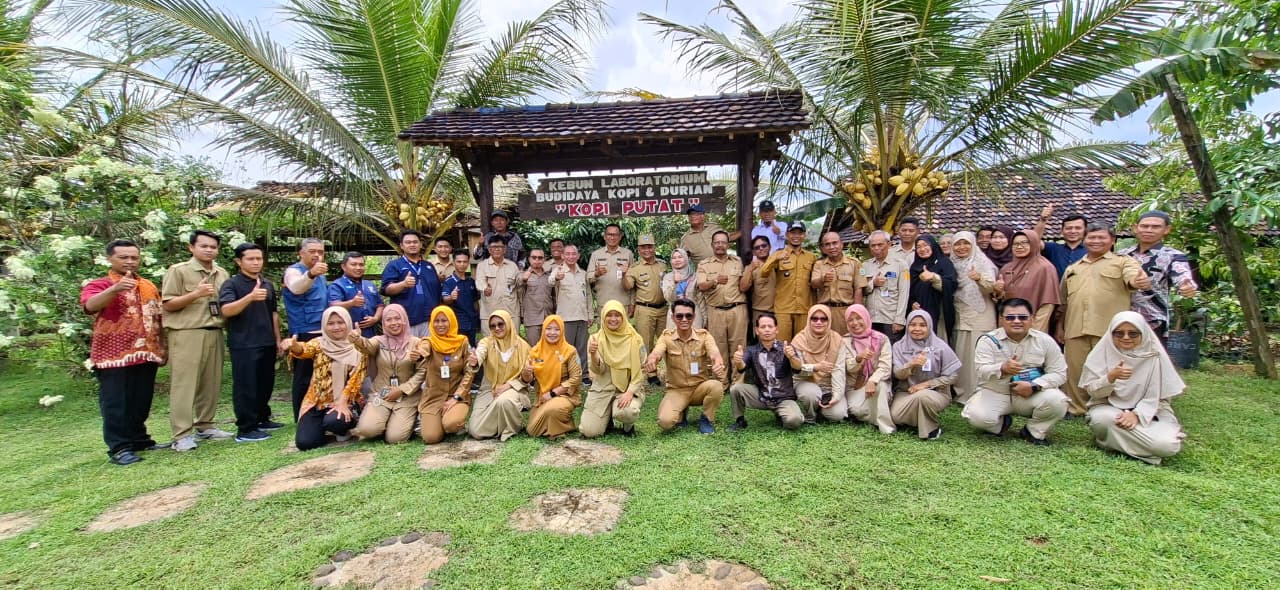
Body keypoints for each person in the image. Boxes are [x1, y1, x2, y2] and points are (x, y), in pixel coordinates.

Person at [82, 240, 168, 465]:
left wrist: (163, 347)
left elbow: (158, 317)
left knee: (141, 400)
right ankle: (119, 448)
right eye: (123, 257)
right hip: (113, 355)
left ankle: (140, 439)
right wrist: (114, 289)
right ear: (110, 259)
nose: (130, 261)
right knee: (115, 403)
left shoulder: (147, 285)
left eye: (134, 257)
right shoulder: (100, 284)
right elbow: (90, 306)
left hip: (146, 352)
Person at [1060, 223, 1149, 416]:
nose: (1096, 241)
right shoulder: (1073, 268)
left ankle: (1109, 405)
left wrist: (1138, 281)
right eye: (1091, 237)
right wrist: (1060, 326)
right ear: (1084, 240)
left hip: (1109, 330)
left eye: (1101, 237)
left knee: (1110, 370)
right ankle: (1077, 407)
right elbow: (1064, 302)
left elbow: (1133, 278)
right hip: (1075, 327)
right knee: (1075, 371)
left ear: (1112, 240)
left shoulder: (1123, 262)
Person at [1081, 311, 1187, 465]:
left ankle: (1113, 442)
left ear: (1143, 333)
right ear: (1111, 334)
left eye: (1133, 334)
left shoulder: (1154, 356)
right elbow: (1093, 392)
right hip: (1110, 408)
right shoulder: (1102, 352)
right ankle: (1145, 449)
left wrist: (1136, 415)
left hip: (1152, 411)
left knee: (1168, 446)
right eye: (1119, 333)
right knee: (1101, 420)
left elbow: (1157, 397)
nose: (1126, 337)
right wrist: (1110, 378)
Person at [962, 299, 1069, 445]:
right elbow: (981, 369)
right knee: (976, 416)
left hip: (1031, 394)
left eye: (1023, 317)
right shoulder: (988, 341)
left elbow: (1059, 373)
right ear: (1001, 320)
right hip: (996, 392)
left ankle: (1033, 431)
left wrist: (1034, 386)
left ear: (1032, 319)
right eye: (1010, 317)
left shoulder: (1044, 340)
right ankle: (1001, 424)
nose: (1017, 321)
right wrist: (1001, 368)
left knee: (1058, 401)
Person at [161, 230, 232, 452]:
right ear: (191, 247)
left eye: (213, 247)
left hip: (214, 331)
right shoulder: (179, 271)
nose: (209, 250)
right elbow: (168, 304)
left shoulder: (222, 273)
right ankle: (181, 434)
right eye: (204, 246)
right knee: (185, 384)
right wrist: (195, 294)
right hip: (187, 332)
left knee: (211, 382)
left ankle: (206, 425)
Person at [219, 243, 284, 444]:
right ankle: (246, 428)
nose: (256, 262)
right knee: (246, 386)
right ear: (239, 261)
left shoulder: (267, 284)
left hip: (267, 340)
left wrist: (277, 340)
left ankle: (262, 418)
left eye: (259, 258)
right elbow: (226, 310)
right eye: (251, 259)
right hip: (244, 343)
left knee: (265, 383)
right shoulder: (231, 284)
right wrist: (250, 297)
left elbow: (273, 314)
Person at [283, 307, 366, 451]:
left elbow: (356, 379)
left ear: (348, 322)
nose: (336, 327)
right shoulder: (319, 343)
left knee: (336, 421)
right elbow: (304, 350)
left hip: (346, 401)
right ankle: (321, 428)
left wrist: (342, 402)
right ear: (324, 325)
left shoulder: (357, 346)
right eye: (331, 323)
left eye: (340, 322)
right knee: (305, 443)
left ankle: (342, 429)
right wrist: (294, 345)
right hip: (317, 402)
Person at [645, 298, 726, 434]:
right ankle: (682, 411)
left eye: (688, 316)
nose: (684, 319)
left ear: (693, 317)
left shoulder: (704, 336)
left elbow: (714, 353)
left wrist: (718, 362)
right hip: (677, 390)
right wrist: (653, 359)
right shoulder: (666, 337)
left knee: (716, 386)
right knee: (665, 422)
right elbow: (657, 352)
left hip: (699, 388)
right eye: (679, 316)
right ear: (673, 318)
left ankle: (707, 418)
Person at [349, 304, 425, 444]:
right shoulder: (379, 341)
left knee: (395, 438)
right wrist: (357, 339)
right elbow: (367, 346)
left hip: (407, 396)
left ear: (404, 319)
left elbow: (422, 372)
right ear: (383, 322)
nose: (394, 323)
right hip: (381, 393)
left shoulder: (416, 343)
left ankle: (409, 421)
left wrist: (401, 390)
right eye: (389, 320)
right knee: (366, 430)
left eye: (397, 318)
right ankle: (382, 422)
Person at [1118, 210, 1199, 342]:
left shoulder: (1173, 256)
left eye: (1155, 227)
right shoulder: (1122, 255)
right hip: (1120, 318)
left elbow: (1182, 275)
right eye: (1145, 226)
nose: (1149, 230)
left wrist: (1187, 286)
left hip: (1153, 320)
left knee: (1152, 355)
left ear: (1166, 229)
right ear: (1135, 228)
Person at [728, 312, 805, 431]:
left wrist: (791, 357)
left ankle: (782, 413)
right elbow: (742, 367)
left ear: (776, 330)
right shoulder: (752, 350)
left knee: (794, 421)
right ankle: (740, 420)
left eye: (770, 326)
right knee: (736, 389)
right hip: (761, 395)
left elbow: (798, 368)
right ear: (757, 330)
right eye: (763, 327)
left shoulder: (786, 348)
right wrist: (738, 361)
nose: (767, 330)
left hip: (784, 398)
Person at [580, 300, 646, 438]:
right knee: (589, 431)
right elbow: (598, 371)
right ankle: (607, 420)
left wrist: (630, 392)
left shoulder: (636, 339)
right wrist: (593, 353)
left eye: (617, 315)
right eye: (609, 315)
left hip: (625, 390)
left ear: (623, 317)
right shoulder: (595, 339)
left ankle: (628, 426)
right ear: (603, 317)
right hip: (603, 389)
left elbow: (642, 369)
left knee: (627, 412)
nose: (613, 319)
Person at [890, 310, 959, 440]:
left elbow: (953, 376)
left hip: (936, 392)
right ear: (907, 326)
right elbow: (898, 375)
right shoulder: (899, 347)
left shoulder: (940, 346)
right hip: (906, 392)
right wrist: (911, 364)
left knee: (923, 396)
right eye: (913, 325)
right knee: (895, 417)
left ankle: (931, 429)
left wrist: (927, 384)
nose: (917, 329)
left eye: (922, 325)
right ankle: (919, 419)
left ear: (929, 326)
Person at [466, 310, 533, 441]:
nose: (497, 328)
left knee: (504, 401)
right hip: (489, 388)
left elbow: (527, 380)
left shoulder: (523, 347)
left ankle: (512, 426)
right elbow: (480, 353)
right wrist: (475, 360)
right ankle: (504, 420)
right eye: (493, 326)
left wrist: (509, 385)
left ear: (508, 323)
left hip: (515, 388)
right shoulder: (486, 342)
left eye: (501, 324)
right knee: (475, 430)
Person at [948, 231, 997, 404]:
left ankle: (981, 392)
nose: (961, 247)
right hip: (960, 315)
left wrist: (979, 278)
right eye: (957, 244)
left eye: (966, 243)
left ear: (973, 245)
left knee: (979, 356)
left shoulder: (982, 262)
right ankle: (963, 393)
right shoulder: (951, 264)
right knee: (962, 356)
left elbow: (992, 287)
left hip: (981, 315)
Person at [283, 237, 329, 420]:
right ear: (301, 253)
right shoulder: (293, 271)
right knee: (303, 376)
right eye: (312, 252)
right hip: (303, 331)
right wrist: (310, 274)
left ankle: (318, 411)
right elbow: (296, 288)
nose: (317, 255)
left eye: (320, 252)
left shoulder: (321, 273)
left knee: (321, 372)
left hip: (322, 330)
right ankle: (301, 417)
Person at [415, 306, 475, 444]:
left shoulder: (462, 342)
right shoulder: (428, 342)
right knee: (431, 438)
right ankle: (435, 422)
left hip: (457, 395)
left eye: (444, 320)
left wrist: (457, 397)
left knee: (451, 424)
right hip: (433, 398)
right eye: (436, 321)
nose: (440, 324)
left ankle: (452, 421)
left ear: (451, 321)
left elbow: (469, 371)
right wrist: (418, 354)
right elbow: (422, 350)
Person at [696, 230, 748, 382]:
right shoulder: (704, 265)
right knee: (718, 348)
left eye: (723, 242)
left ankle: (737, 383)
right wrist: (715, 281)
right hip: (716, 311)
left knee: (738, 347)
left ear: (728, 245)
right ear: (712, 245)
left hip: (737, 309)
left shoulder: (737, 262)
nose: (720, 245)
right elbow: (701, 286)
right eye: (717, 242)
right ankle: (721, 382)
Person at [789, 304, 850, 424]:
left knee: (838, 414)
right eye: (814, 318)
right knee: (811, 394)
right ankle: (810, 415)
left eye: (823, 319)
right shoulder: (799, 340)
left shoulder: (837, 340)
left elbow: (839, 370)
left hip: (828, 385)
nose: (819, 322)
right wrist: (815, 367)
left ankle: (821, 409)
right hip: (805, 381)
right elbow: (798, 371)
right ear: (809, 320)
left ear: (829, 321)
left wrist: (836, 396)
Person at [526, 315, 583, 438]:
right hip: (542, 397)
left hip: (564, 395)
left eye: (557, 329)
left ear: (562, 331)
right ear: (543, 330)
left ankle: (564, 425)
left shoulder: (570, 351)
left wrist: (552, 393)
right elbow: (528, 380)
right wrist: (527, 372)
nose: (552, 333)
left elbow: (576, 379)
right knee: (532, 430)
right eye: (548, 328)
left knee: (552, 410)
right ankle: (559, 422)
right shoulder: (535, 351)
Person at [994, 230, 1061, 333]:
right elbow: (1002, 298)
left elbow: (1048, 304)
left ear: (1034, 244)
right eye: (1015, 244)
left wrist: (1035, 331)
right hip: (1008, 324)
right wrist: (998, 291)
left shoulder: (1045, 268)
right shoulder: (1007, 268)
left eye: (1024, 243)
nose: (1019, 247)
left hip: (1033, 326)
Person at [760, 222, 816, 341]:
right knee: (782, 345)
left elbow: (815, 281)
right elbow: (763, 273)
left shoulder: (811, 257)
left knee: (802, 344)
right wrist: (776, 259)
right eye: (793, 233)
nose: (796, 236)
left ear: (804, 235)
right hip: (783, 309)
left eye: (799, 233)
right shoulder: (778, 254)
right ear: (786, 235)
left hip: (804, 308)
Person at [843, 304, 894, 434]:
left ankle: (886, 427)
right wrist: (858, 358)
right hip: (856, 386)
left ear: (866, 317)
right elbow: (849, 368)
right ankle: (876, 414)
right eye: (850, 320)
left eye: (858, 318)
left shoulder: (881, 339)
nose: (855, 323)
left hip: (877, 382)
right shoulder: (845, 341)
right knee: (856, 410)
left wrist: (873, 380)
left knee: (881, 386)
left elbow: (885, 366)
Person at [381, 230, 443, 337]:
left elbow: (437, 292)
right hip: (407, 321)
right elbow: (386, 289)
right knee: (410, 348)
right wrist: (403, 284)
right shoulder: (394, 265)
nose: (412, 245)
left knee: (429, 348)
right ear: (402, 246)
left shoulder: (428, 266)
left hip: (431, 320)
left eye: (415, 242)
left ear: (420, 244)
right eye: (408, 242)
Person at [625, 234, 668, 381]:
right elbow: (628, 286)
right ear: (639, 249)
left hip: (664, 308)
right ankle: (651, 373)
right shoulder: (634, 268)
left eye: (649, 247)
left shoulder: (663, 265)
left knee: (667, 340)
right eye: (643, 247)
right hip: (645, 309)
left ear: (654, 247)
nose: (647, 250)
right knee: (646, 342)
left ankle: (672, 371)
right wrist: (624, 275)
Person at [811, 231, 866, 335]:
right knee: (824, 341)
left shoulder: (854, 264)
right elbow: (814, 284)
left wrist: (857, 312)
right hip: (824, 312)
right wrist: (823, 279)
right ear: (823, 248)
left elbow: (858, 289)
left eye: (835, 243)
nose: (832, 247)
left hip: (846, 311)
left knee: (846, 341)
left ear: (841, 244)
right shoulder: (819, 264)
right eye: (827, 244)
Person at [548, 244, 593, 371]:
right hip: (566, 317)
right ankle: (565, 373)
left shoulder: (583, 273)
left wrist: (590, 314)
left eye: (573, 254)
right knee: (566, 348)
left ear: (578, 256)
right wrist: (557, 277)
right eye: (567, 254)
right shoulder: (558, 270)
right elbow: (551, 281)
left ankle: (583, 374)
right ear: (562, 256)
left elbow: (588, 294)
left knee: (582, 347)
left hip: (582, 316)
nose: (571, 257)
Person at [907, 235, 957, 343]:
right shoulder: (914, 267)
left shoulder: (944, 262)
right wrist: (912, 303)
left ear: (933, 246)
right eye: (918, 247)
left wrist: (934, 277)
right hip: (918, 314)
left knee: (936, 344)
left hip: (938, 313)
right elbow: (909, 290)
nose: (922, 249)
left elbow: (951, 285)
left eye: (925, 245)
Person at [862, 230, 910, 342]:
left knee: (891, 350)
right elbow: (861, 290)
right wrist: (873, 283)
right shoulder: (865, 266)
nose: (876, 248)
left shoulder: (901, 265)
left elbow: (904, 293)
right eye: (873, 245)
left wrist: (899, 320)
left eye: (880, 245)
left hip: (890, 320)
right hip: (871, 319)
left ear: (889, 244)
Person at [327, 251, 383, 337]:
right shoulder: (337, 285)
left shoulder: (369, 284)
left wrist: (375, 318)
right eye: (354, 264)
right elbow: (333, 306)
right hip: (349, 334)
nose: (358, 267)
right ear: (343, 267)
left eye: (361, 265)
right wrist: (352, 303)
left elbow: (380, 305)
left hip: (372, 334)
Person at [476, 235, 521, 335]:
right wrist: (484, 288)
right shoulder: (482, 265)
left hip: (511, 312)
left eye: (499, 247)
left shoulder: (512, 266)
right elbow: (479, 282)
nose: (496, 249)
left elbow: (519, 285)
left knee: (513, 340)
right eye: (494, 247)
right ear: (489, 250)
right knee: (490, 342)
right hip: (490, 312)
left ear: (505, 249)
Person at [588, 223, 635, 314]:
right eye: (609, 234)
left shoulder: (628, 254)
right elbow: (588, 278)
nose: (612, 237)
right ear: (604, 236)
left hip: (623, 302)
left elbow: (633, 279)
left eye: (615, 235)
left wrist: (632, 302)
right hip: (603, 302)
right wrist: (596, 274)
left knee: (623, 324)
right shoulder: (596, 254)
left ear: (620, 237)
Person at [1033, 204, 1088, 278]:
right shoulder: (1053, 248)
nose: (1073, 231)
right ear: (1062, 231)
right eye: (1068, 228)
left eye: (1078, 228)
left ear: (1085, 230)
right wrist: (1043, 220)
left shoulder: (1091, 251)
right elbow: (1033, 242)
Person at [740, 235, 777, 337]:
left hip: (779, 311)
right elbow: (743, 288)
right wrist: (750, 269)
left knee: (780, 343)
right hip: (760, 312)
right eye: (757, 247)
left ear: (769, 247)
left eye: (764, 245)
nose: (761, 249)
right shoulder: (751, 267)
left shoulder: (777, 264)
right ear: (753, 252)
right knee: (762, 343)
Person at [441, 251, 480, 344]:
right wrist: (451, 297)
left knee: (472, 347)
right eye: (459, 262)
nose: (462, 264)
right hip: (458, 323)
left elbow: (475, 301)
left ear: (468, 263)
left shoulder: (471, 281)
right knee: (459, 348)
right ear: (453, 263)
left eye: (465, 262)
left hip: (472, 322)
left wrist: (477, 316)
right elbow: (445, 299)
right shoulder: (449, 282)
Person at [517, 248, 555, 346]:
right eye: (534, 257)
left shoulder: (549, 276)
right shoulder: (523, 275)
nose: (537, 260)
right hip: (532, 320)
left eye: (540, 258)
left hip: (548, 318)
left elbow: (554, 297)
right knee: (534, 349)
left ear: (544, 259)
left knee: (549, 348)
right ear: (529, 259)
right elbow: (518, 285)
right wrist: (524, 279)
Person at [661, 247, 703, 329]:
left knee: (694, 336)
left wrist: (704, 318)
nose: (677, 260)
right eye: (674, 258)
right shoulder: (668, 277)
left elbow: (701, 300)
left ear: (686, 259)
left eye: (680, 257)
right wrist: (675, 283)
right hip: (675, 314)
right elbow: (669, 298)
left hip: (693, 314)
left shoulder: (695, 277)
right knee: (674, 336)